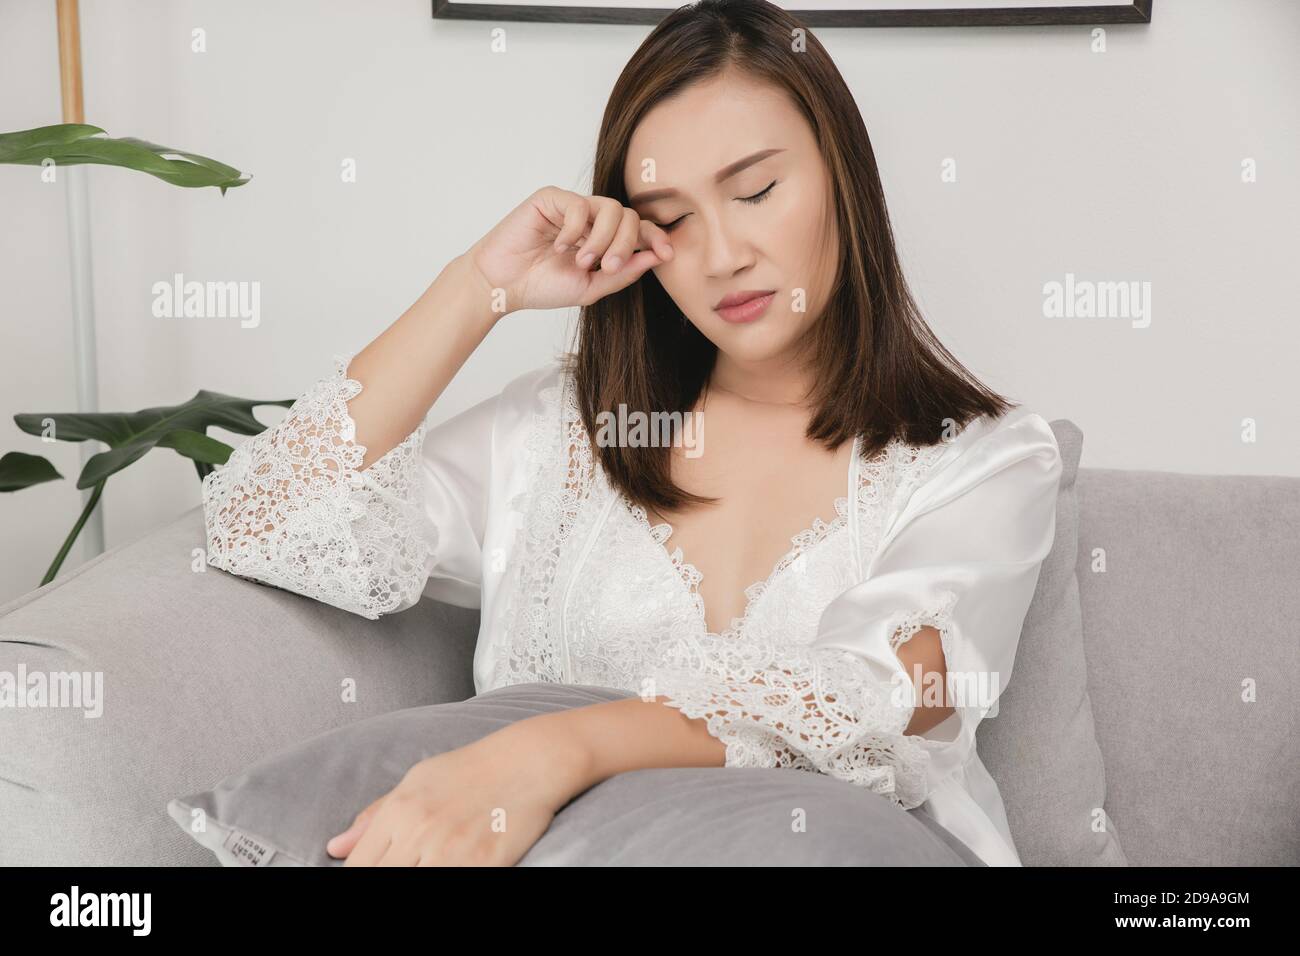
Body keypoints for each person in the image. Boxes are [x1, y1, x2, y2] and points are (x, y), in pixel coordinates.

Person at [201, 0, 1062, 867]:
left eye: (757, 190)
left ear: (844, 175)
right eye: (673, 218)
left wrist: (552, 751)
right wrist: (478, 289)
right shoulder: (555, 436)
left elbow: (876, 694)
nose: (723, 254)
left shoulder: (985, 461)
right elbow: (265, 521)